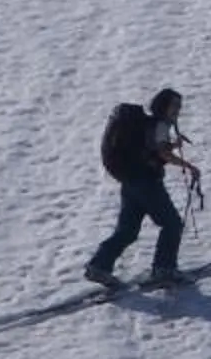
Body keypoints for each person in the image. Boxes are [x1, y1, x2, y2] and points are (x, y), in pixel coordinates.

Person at [85, 87, 201, 292]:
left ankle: (98, 266)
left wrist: (173, 145)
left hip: (130, 181)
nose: (177, 110)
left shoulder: (147, 124)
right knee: (172, 224)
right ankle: (163, 269)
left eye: (179, 106)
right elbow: (162, 154)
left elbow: (153, 150)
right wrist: (189, 166)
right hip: (147, 183)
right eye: (175, 106)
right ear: (163, 105)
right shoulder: (160, 125)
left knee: (127, 230)